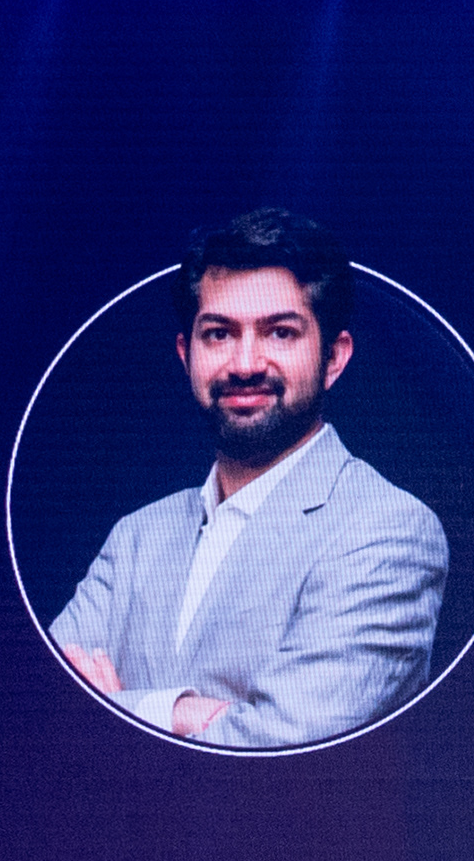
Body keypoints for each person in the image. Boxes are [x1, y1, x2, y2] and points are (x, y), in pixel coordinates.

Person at [53, 209, 449, 750]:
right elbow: (38, 711)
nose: (244, 363)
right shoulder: (136, 537)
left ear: (334, 358)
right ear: (185, 354)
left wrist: (118, 708)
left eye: (280, 333)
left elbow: (286, 745)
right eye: (218, 334)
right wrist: (182, 712)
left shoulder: (388, 531)